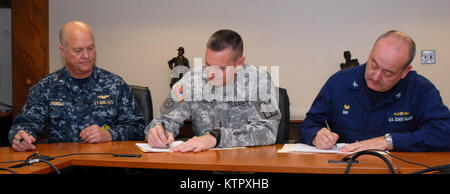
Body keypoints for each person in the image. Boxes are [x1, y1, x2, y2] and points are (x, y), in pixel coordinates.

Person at [299, 30, 450, 152]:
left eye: (388, 73)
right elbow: (309, 124)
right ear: (371, 53)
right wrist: (316, 136)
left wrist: (389, 141)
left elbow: (444, 133)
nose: (376, 76)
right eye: (374, 64)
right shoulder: (339, 82)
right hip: (345, 166)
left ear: (405, 72)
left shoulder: (420, 89)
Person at [9, 20, 146, 152]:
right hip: (61, 165)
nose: (86, 55)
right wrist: (20, 138)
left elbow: (138, 127)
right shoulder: (47, 87)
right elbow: (24, 125)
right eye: (78, 50)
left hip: (105, 166)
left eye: (90, 48)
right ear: (63, 51)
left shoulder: (115, 85)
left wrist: (110, 134)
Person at [145, 29, 281, 152]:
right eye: (208, 64)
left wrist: (217, 138)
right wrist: (158, 131)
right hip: (203, 164)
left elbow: (268, 131)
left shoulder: (260, 82)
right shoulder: (191, 81)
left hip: (246, 165)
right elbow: (165, 118)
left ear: (239, 63)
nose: (210, 74)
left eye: (221, 68)